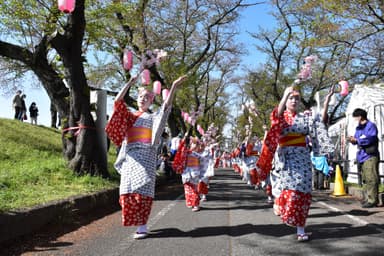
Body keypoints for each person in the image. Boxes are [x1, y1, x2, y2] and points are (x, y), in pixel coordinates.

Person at [105, 74, 187, 240]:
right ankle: (137, 222)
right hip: (129, 156)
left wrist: (173, 87)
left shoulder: (152, 117)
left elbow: (166, 107)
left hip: (146, 156)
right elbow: (118, 102)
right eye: (141, 97)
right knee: (125, 191)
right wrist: (129, 82)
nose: (143, 99)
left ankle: (142, 225)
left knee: (142, 189)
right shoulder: (129, 116)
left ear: (151, 101)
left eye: (147, 98)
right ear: (137, 99)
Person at [256, 86, 333, 242]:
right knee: (292, 189)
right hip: (287, 158)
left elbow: (320, 122)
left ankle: (301, 229)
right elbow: (276, 117)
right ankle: (282, 205)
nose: (294, 101)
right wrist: (284, 95)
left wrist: (326, 102)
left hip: (303, 156)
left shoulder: (305, 117)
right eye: (291, 98)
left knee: (304, 191)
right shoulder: (281, 117)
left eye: (297, 98)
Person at [347, 108, 380, 208]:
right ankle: (368, 198)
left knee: (371, 178)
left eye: (355, 118)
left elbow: (370, 138)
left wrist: (357, 140)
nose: (354, 120)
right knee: (365, 179)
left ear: (360, 117)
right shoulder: (358, 128)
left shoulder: (371, 126)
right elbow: (357, 139)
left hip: (370, 155)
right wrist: (352, 140)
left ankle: (372, 200)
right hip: (361, 155)